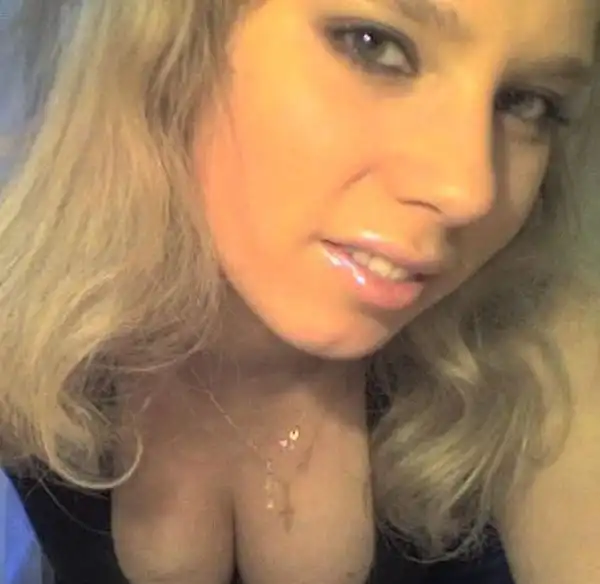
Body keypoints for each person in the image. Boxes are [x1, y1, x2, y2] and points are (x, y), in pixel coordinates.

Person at [1, 1, 599, 583]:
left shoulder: (540, 352)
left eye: (527, 102)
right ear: (167, 34)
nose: (470, 192)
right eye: (374, 45)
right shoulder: (21, 308)